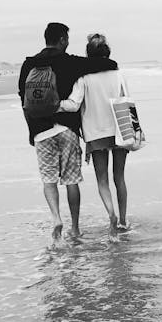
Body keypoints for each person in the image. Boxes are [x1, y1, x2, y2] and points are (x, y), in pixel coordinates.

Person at [18, 23, 118, 243]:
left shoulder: (28, 65)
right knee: (71, 181)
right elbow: (107, 63)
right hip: (67, 130)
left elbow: (23, 100)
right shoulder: (70, 62)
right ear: (62, 39)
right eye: (67, 39)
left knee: (48, 180)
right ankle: (74, 228)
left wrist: (31, 132)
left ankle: (56, 218)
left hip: (40, 131)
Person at [57, 34, 130, 242]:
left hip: (96, 133)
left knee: (102, 180)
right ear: (108, 53)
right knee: (120, 178)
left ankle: (111, 214)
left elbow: (73, 104)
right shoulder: (119, 75)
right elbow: (127, 102)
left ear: (88, 55)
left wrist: (54, 104)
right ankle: (123, 220)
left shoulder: (84, 79)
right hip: (120, 130)